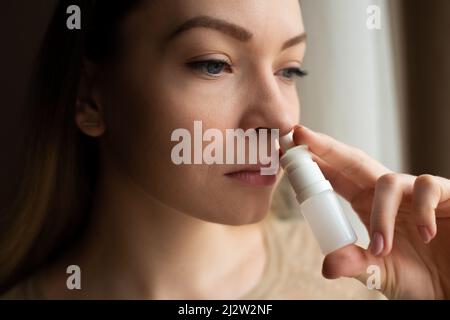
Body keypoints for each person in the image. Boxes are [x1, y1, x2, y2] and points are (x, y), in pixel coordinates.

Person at [1, 0, 450, 299]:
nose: (278, 120)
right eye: (213, 64)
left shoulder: (357, 282)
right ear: (90, 96)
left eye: (289, 70)